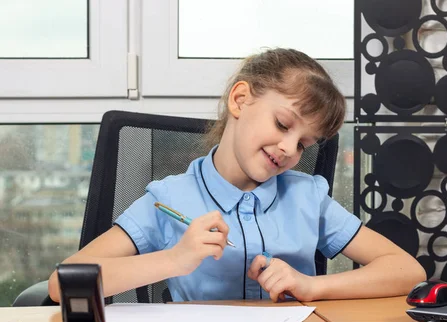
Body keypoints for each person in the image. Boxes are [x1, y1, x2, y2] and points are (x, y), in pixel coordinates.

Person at [48, 48, 425, 303]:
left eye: (305, 144)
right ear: (240, 100)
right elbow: (63, 284)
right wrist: (175, 260)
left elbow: (407, 270)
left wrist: (312, 286)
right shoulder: (169, 200)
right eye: (282, 124)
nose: (290, 150)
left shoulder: (308, 196)